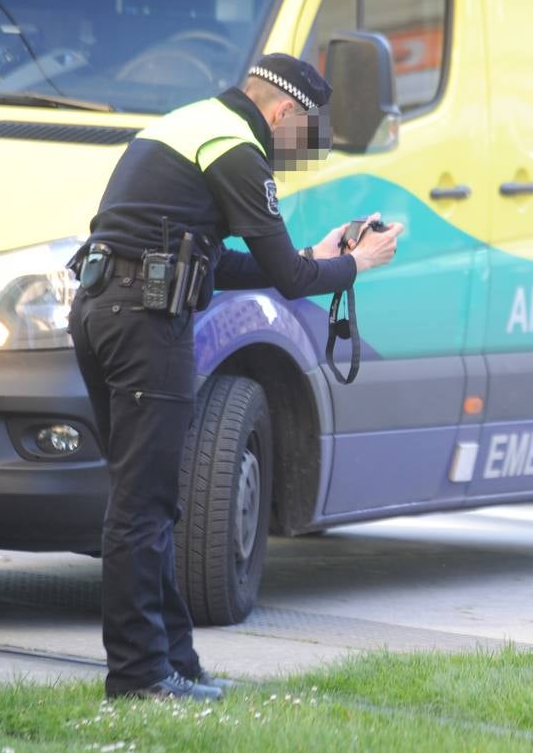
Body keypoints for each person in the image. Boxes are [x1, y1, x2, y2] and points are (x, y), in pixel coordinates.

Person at [69, 54, 403, 700]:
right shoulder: (238, 149)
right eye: (305, 132)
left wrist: (313, 254)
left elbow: (214, 259)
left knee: (149, 500)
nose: (301, 148)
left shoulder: (191, 124)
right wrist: (358, 263)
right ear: (284, 113)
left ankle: (176, 663)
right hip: (145, 322)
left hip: (103, 307)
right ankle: (139, 678)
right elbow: (292, 283)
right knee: (144, 506)